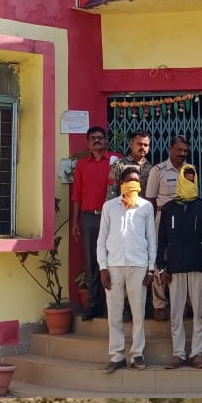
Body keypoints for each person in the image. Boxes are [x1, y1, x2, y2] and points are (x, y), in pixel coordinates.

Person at [97, 167, 157, 373]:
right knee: (114, 313)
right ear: (121, 184)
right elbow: (101, 240)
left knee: (138, 313)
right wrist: (103, 268)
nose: (133, 185)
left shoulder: (146, 207)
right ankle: (117, 355)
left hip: (138, 265)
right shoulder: (109, 207)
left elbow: (151, 240)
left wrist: (151, 269)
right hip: (114, 266)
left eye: (136, 181)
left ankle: (137, 354)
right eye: (130, 181)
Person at [156, 164, 202, 369]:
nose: (188, 183)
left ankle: (196, 353)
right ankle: (178, 354)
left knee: (199, 312)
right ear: (180, 181)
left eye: (192, 180)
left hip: (198, 267)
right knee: (176, 313)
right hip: (175, 267)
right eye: (185, 179)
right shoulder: (169, 209)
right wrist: (161, 267)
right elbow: (162, 240)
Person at [69, 126, 122, 321]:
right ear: (88, 142)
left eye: (100, 137)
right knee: (92, 262)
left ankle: (116, 306)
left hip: (113, 216)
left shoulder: (116, 160)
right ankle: (94, 306)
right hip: (89, 218)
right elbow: (76, 195)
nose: (97, 140)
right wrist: (75, 221)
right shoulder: (82, 165)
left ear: (106, 140)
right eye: (93, 138)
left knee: (115, 260)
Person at [145, 135, 192, 321]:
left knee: (185, 257)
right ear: (170, 149)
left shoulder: (190, 169)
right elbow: (150, 199)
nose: (182, 154)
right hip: (163, 218)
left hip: (186, 219)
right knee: (160, 258)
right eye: (179, 150)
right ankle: (159, 304)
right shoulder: (158, 170)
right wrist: (150, 224)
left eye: (185, 151)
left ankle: (185, 302)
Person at [106, 130, 153, 201]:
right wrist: (111, 206)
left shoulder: (151, 168)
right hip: (124, 205)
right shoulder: (119, 165)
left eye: (146, 145)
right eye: (139, 144)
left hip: (143, 206)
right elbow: (112, 191)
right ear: (131, 144)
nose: (143, 147)